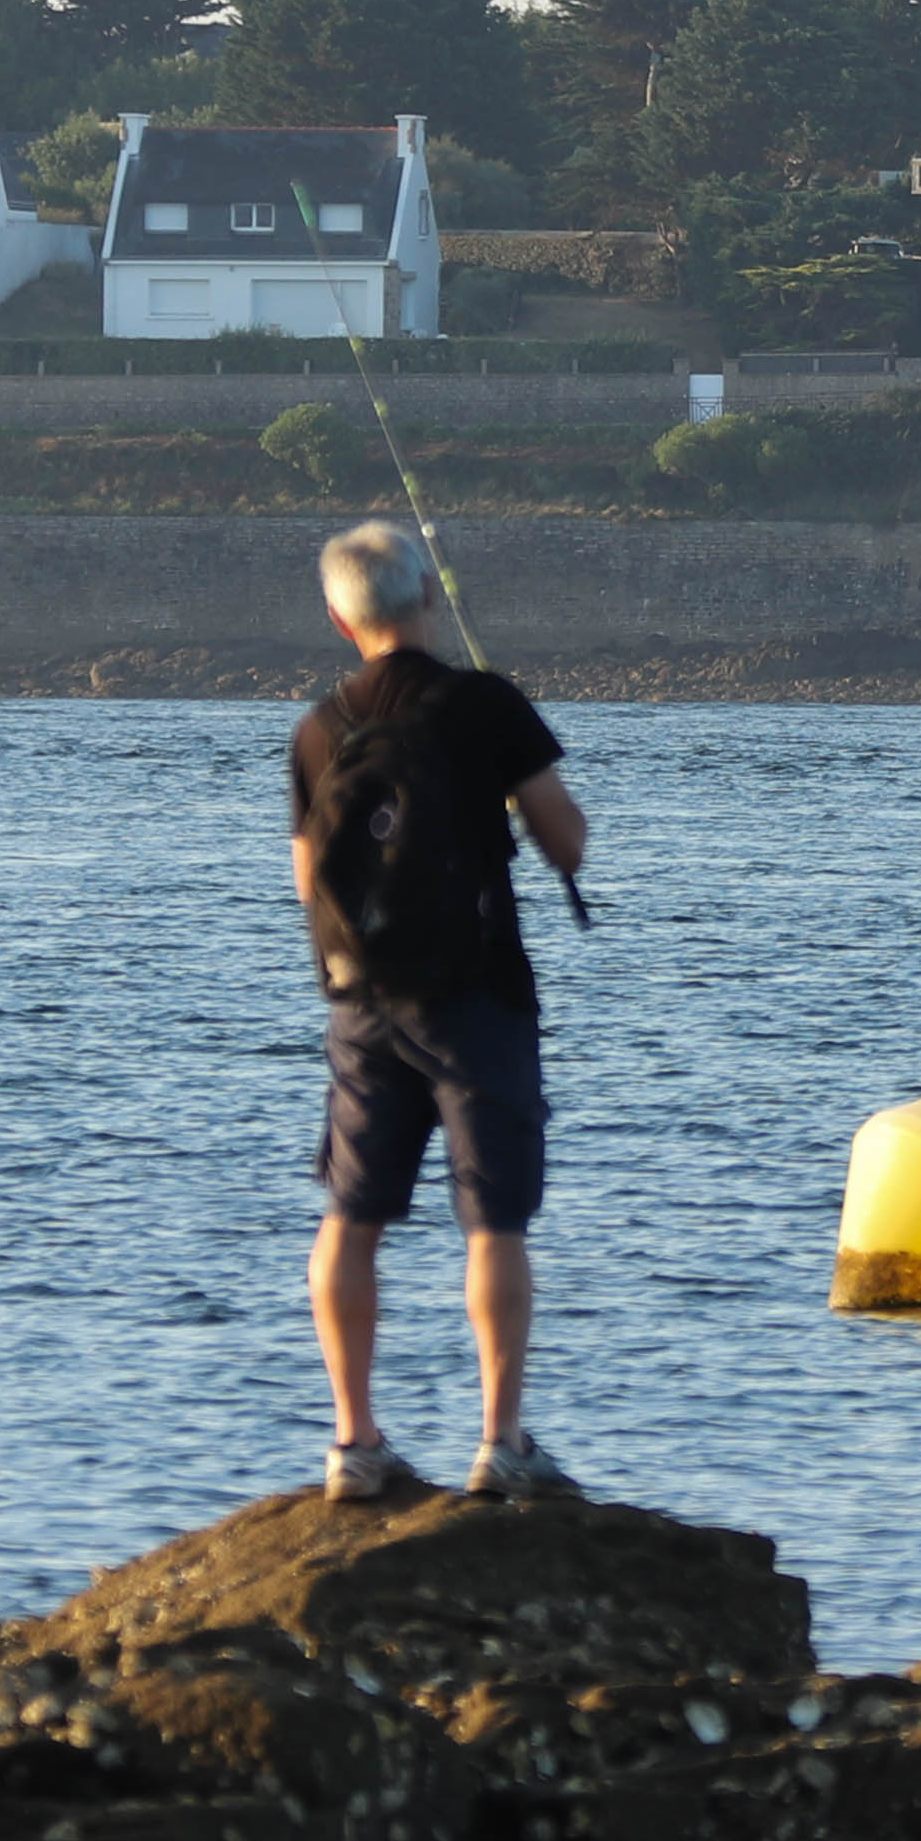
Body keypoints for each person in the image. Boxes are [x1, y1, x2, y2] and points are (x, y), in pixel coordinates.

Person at [285, 520, 591, 1505]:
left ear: (339, 617)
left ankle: (353, 1443)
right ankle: (501, 1444)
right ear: (427, 598)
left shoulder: (319, 728)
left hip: (361, 1003)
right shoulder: (484, 703)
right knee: (492, 1221)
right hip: (477, 996)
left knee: (352, 1216)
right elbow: (568, 841)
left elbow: (308, 881)